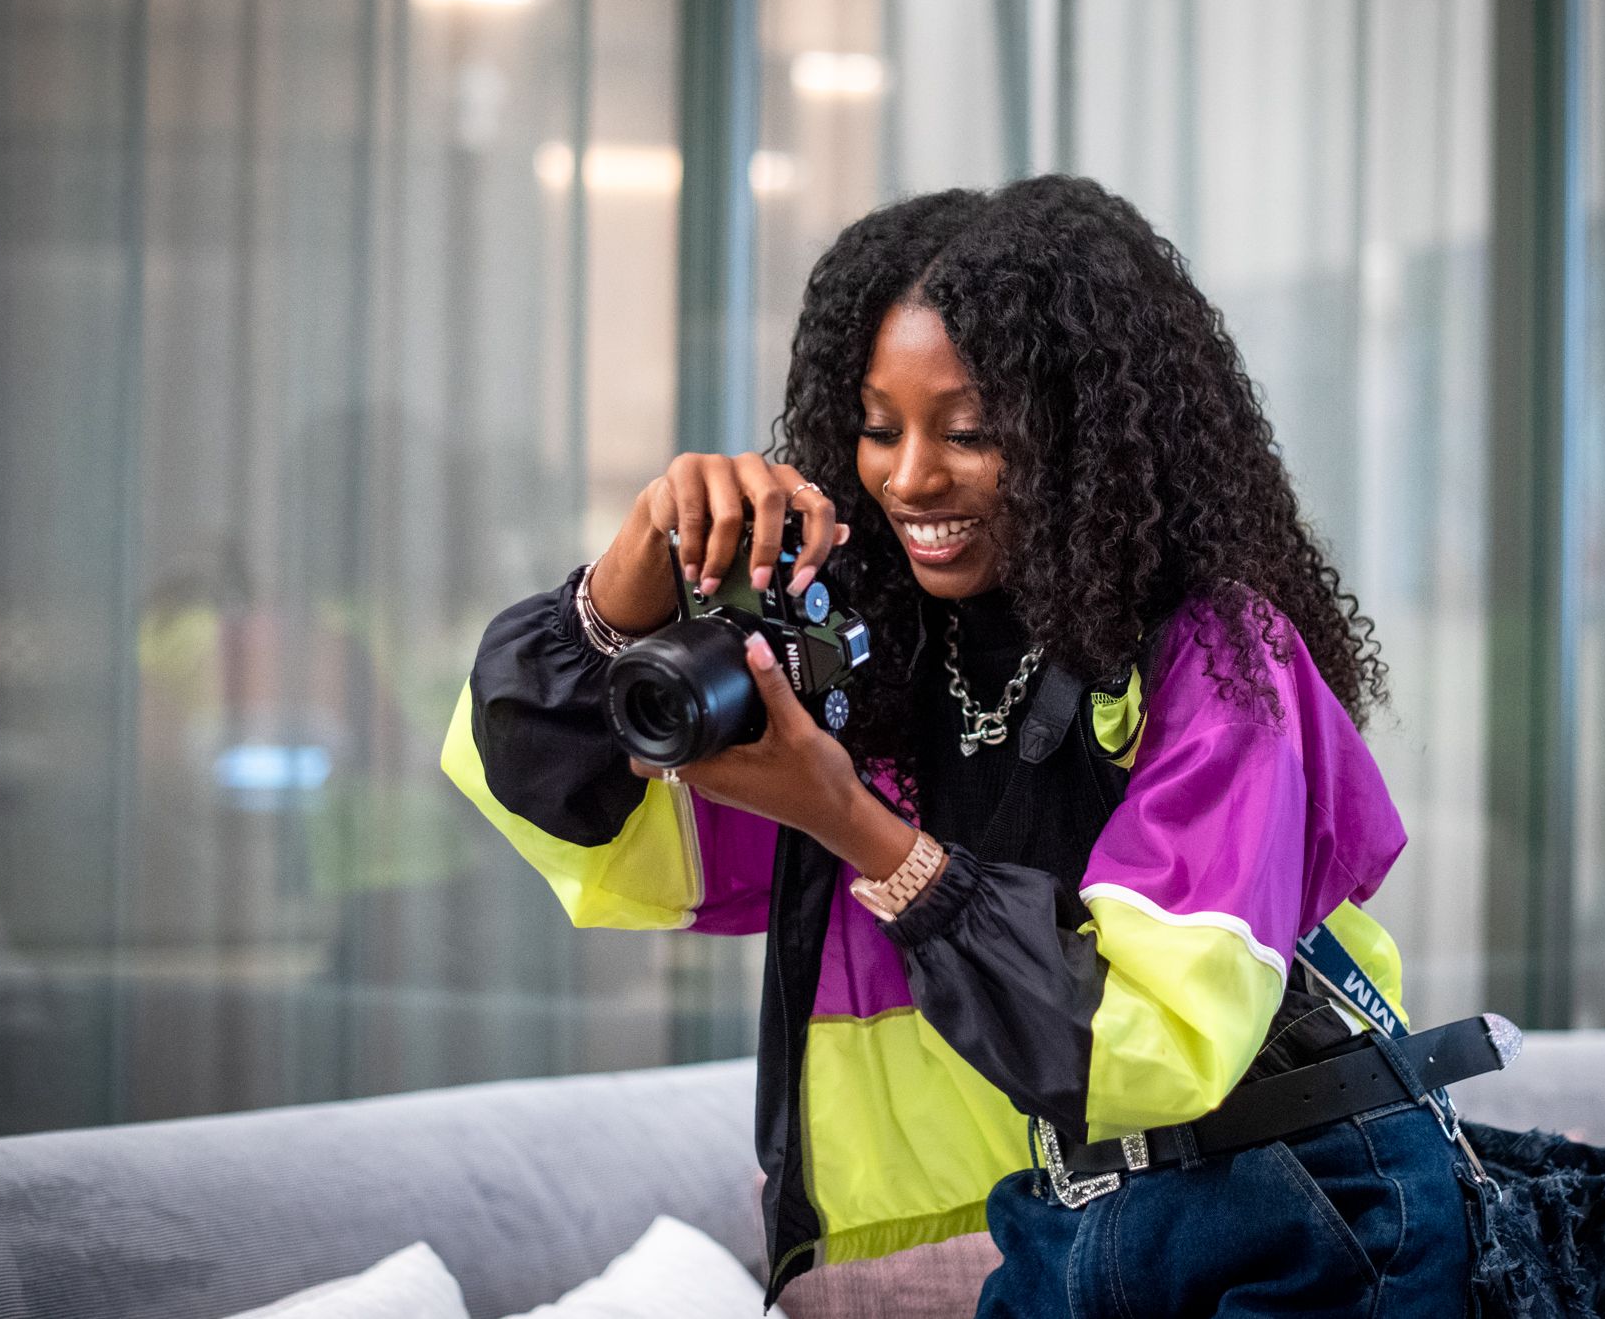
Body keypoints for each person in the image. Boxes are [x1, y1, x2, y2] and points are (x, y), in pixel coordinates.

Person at [443, 176, 1475, 1317]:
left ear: (1081, 435)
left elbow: (1154, 1047)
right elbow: (582, 822)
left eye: (970, 431)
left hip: (1207, 1252)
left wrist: (854, 827)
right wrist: (625, 580)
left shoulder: (1213, 659)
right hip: (908, 1272)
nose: (908, 476)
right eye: (876, 428)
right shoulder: (856, 667)